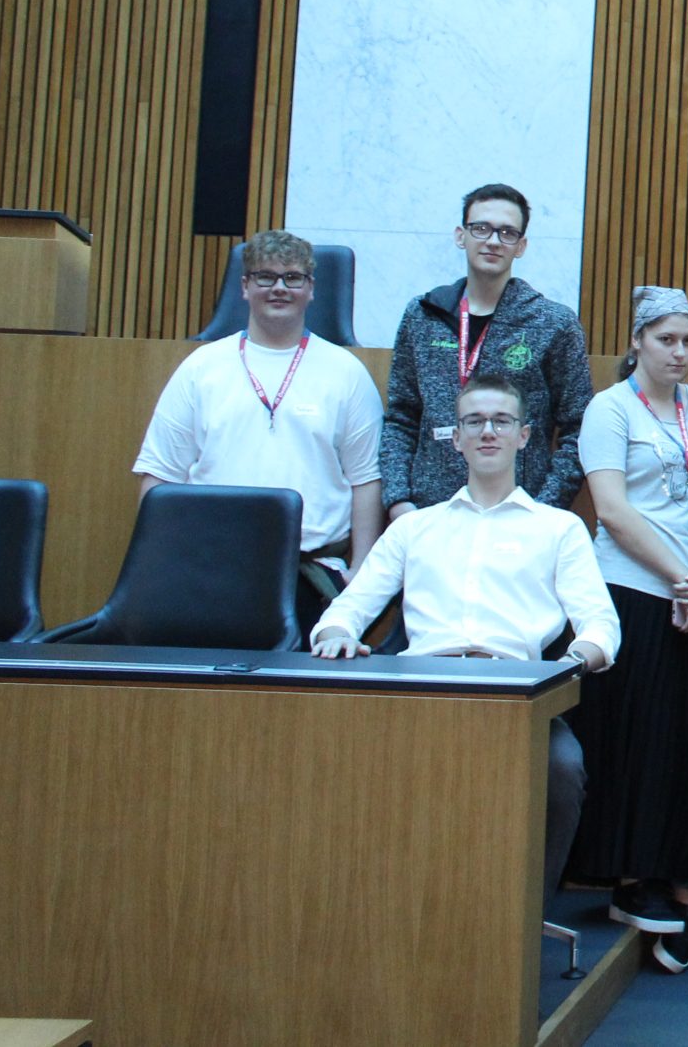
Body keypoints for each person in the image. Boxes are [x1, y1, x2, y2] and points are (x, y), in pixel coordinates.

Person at [311, 374, 618, 918]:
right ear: (455, 439)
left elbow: (600, 626)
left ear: (525, 436)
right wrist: (335, 634)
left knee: (563, 771)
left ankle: (522, 921)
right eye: (474, 422)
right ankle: (384, 910)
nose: (488, 432)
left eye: (501, 421)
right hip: (422, 690)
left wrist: (578, 658)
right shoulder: (415, 529)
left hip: (518, 695)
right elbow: (347, 610)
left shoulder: (559, 529)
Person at [567, 287, 688, 974]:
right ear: (636, 341)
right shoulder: (609, 409)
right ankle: (632, 879)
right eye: (666, 339)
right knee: (639, 738)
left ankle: (680, 884)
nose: (679, 352)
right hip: (634, 592)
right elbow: (611, 509)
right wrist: (680, 577)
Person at [132, 229, 385, 628]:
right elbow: (160, 476)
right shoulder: (201, 368)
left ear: (312, 288)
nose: (279, 288)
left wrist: (362, 571)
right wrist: (160, 563)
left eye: (293, 277)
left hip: (309, 574)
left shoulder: (347, 373)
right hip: (206, 568)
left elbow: (366, 480)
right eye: (266, 277)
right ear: (246, 287)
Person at [379, 183, 593, 517]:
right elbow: (401, 417)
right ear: (460, 236)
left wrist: (542, 509)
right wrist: (398, 502)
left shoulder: (554, 324)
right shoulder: (422, 316)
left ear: (521, 246)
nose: (493, 241)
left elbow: (579, 430)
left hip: (519, 515)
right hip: (428, 514)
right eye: (481, 229)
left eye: (507, 233)